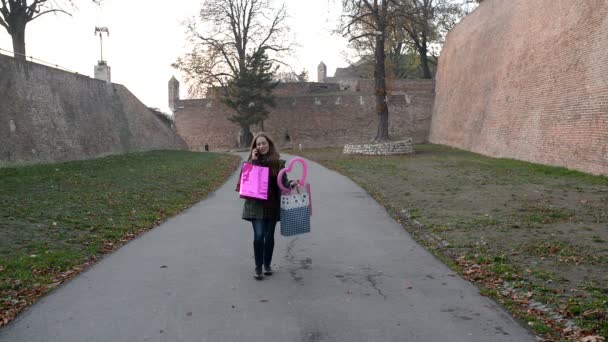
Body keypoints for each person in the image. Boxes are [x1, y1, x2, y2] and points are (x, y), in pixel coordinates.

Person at [239, 132, 298, 280]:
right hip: (256, 206)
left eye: (263, 143)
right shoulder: (251, 162)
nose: (261, 146)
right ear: (255, 147)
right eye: (258, 144)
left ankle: (267, 265)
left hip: (272, 205)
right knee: (259, 236)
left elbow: (283, 183)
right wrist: (253, 161)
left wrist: (291, 184)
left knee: (269, 236)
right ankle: (258, 267)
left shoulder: (278, 163)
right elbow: (245, 180)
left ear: (269, 144)